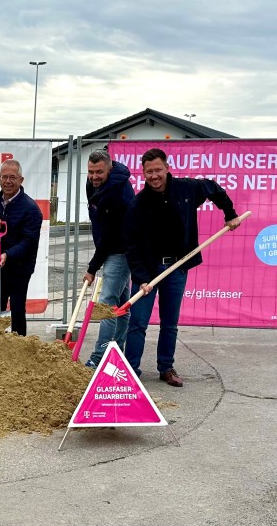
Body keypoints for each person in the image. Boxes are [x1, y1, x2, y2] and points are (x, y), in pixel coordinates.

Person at [124, 148, 242, 387]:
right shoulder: (139, 204)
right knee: (137, 323)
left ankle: (166, 367)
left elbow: (214, 188)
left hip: (177, 267)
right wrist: (141, 277)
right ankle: (130, 370)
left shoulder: (187, 189)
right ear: (143, 174)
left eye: (158, 170)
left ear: (167, 168)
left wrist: (230, 214)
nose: (154, 176)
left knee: (170, 322)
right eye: (149, 172)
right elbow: (131, 244)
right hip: (148, 271)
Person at [0, 159, 42, 336]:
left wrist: (7, 255)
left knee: (17, 310)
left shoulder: (30, 208)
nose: (8, 181)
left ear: (21, 180)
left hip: (20, 268)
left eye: (13, 177)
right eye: (4, 177)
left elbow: (29, 241)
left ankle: (19, 345)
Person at [82, 149, 135, 368]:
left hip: (121, 250)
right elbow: (99, 223)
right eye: (91, 172)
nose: (94, 177)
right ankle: (117, 350)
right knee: (120, 304)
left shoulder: (117, 194)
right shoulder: (93, 184)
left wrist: (92, 268)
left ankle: (99, 358)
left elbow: (109, 234)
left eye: (99, 172)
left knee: (106, 305)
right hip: (109, 246)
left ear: (110, 169)